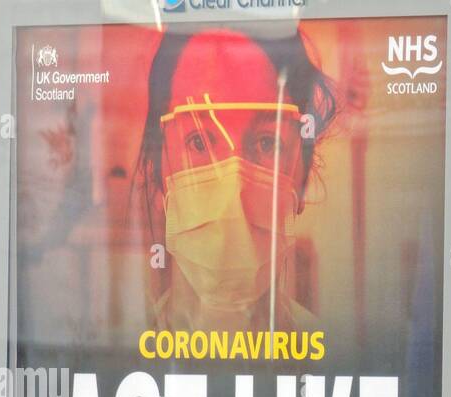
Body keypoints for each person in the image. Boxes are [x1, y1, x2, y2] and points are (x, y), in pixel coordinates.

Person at [135, 26, 336, 334]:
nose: (232, 194)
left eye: (267, 143)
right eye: (199, 142)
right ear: (155, 167)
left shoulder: (331, 362)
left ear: (302, 178)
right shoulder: (123, 355)